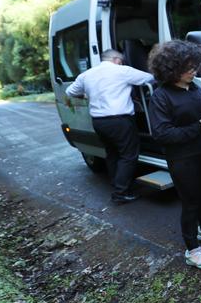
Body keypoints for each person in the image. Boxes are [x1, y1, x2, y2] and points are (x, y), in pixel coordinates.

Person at [147, 40, 201, 269]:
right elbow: (161, 133)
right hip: (182, 158)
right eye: (186, 67)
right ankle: (192, 249)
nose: (193, 70)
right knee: (190, 202)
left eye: (193, 66)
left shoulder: (194, 88)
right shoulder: (161, 96)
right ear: (171, 69)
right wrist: (198, 127)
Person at [66, 49, 154, 204]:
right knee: (128, 155)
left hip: (99, 122)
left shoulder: (86, 75)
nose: (121, 63)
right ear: (116, 59)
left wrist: (85, 95)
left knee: (112, 153)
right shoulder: (122, 71)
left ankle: (117, 185)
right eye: (121, 61)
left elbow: (70, 92)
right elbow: (150, 78)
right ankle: (120, 192)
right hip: (120, 121)